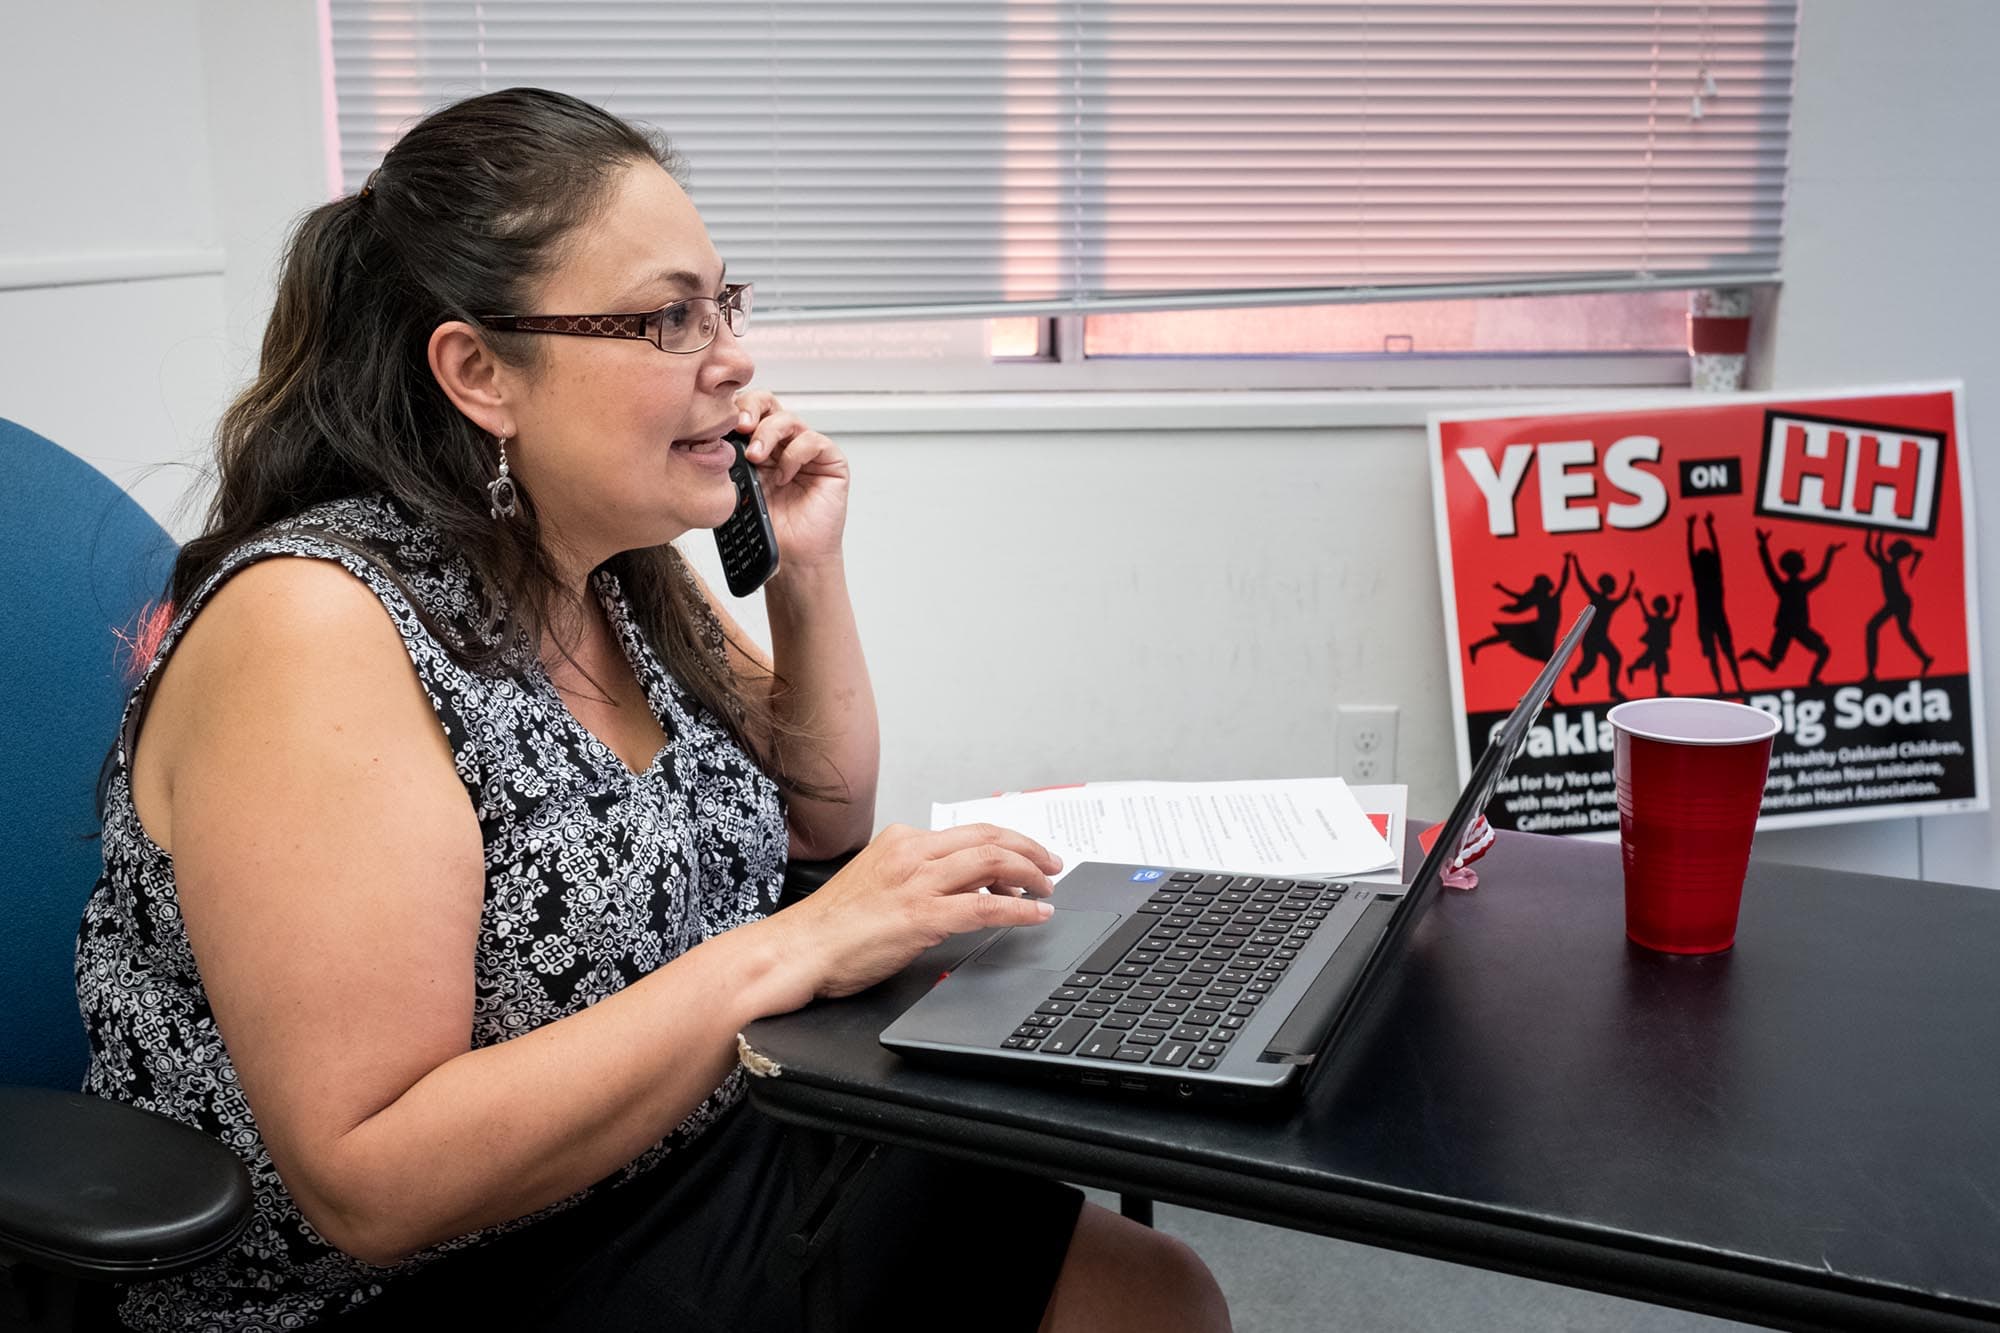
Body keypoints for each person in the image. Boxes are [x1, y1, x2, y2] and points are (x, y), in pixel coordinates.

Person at [76, 88, 1231, 1333]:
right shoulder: (315, 627)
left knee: (1146, 1288)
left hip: (662, 1155)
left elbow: (820, 816)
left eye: (723, 304)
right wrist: (791, 948)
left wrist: (805, 567)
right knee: (1130, 1301)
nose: (731, 357)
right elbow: (371, 1180)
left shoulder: (607, 567)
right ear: (478, 372)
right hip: (406, 1284)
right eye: (667, 318)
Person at [1739, 529, 1842, 687]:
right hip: (1787, 627)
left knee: (1824, 651)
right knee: (1775, 665)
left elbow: (1822, 576)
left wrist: (1830, 552)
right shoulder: (1787, 587)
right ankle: (1754, 654)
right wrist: (1763, 545)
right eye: (1802, 560)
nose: (1804, 562)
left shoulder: (1799, 586)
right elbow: (1770, 570)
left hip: (1798, 627)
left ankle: (1813, 679)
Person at [1685, 512, 1746, 694]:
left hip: (1715, 618)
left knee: (1726, 653)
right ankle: (1722, 688)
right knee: (1715, 655)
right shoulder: (1703, 577)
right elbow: (1695, 553)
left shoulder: (1713, 576)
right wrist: (1704, 526)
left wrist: (1694, 527)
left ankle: (1738, 684)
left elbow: (1708, 552)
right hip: (1707, 620)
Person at [1465, 562, 1569, 665]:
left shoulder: (1553, 598)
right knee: (1508, 636)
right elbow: (1522, 598)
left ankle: (1476, 646)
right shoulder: (1540, 599)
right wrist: (1502, 589)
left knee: (1547, 656)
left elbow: (1564, 581)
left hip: (1545, 629)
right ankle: (1476, 646)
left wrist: (1567, 562)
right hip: (1540, 629)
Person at [1563, 552, 1635, 701]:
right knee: (1590, 664)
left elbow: (1623, 598)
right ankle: (1576, 676)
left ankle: (1614, 690)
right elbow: (1582, 581)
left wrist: (1630, 582)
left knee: (1615, 658)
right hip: (1591, 639)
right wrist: (1574, 562)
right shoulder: (1596, 598)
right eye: (1612, 584)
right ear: (1606, 586)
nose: (1614, 586)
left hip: (1602, 638)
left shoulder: (1610, 604)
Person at [1862, 530, 1933, 679]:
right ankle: (1925, 658)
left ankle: (1871, 672)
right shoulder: (1888, 564)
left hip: (1899, 602)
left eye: (1893, 545)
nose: (1890, 545)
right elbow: (1871, 550)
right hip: (1898, 602)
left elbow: (1873, 549)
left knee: (1874, 628)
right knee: (1902, 632)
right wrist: (1872, 532)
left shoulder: (1889, 565)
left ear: (1896, 551)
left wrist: (1876, 531)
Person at [1626, 588, 1683, 696]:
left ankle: (1660, 689)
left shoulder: (1666, 621)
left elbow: (1674, 617)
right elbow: (1646, 613)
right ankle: (1632, 668)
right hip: (1654, 648)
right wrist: (1640, 600)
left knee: (1659, 670)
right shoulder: (1655, 620)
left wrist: (1677, 603)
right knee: (1648, 664)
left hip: (1661, 649)